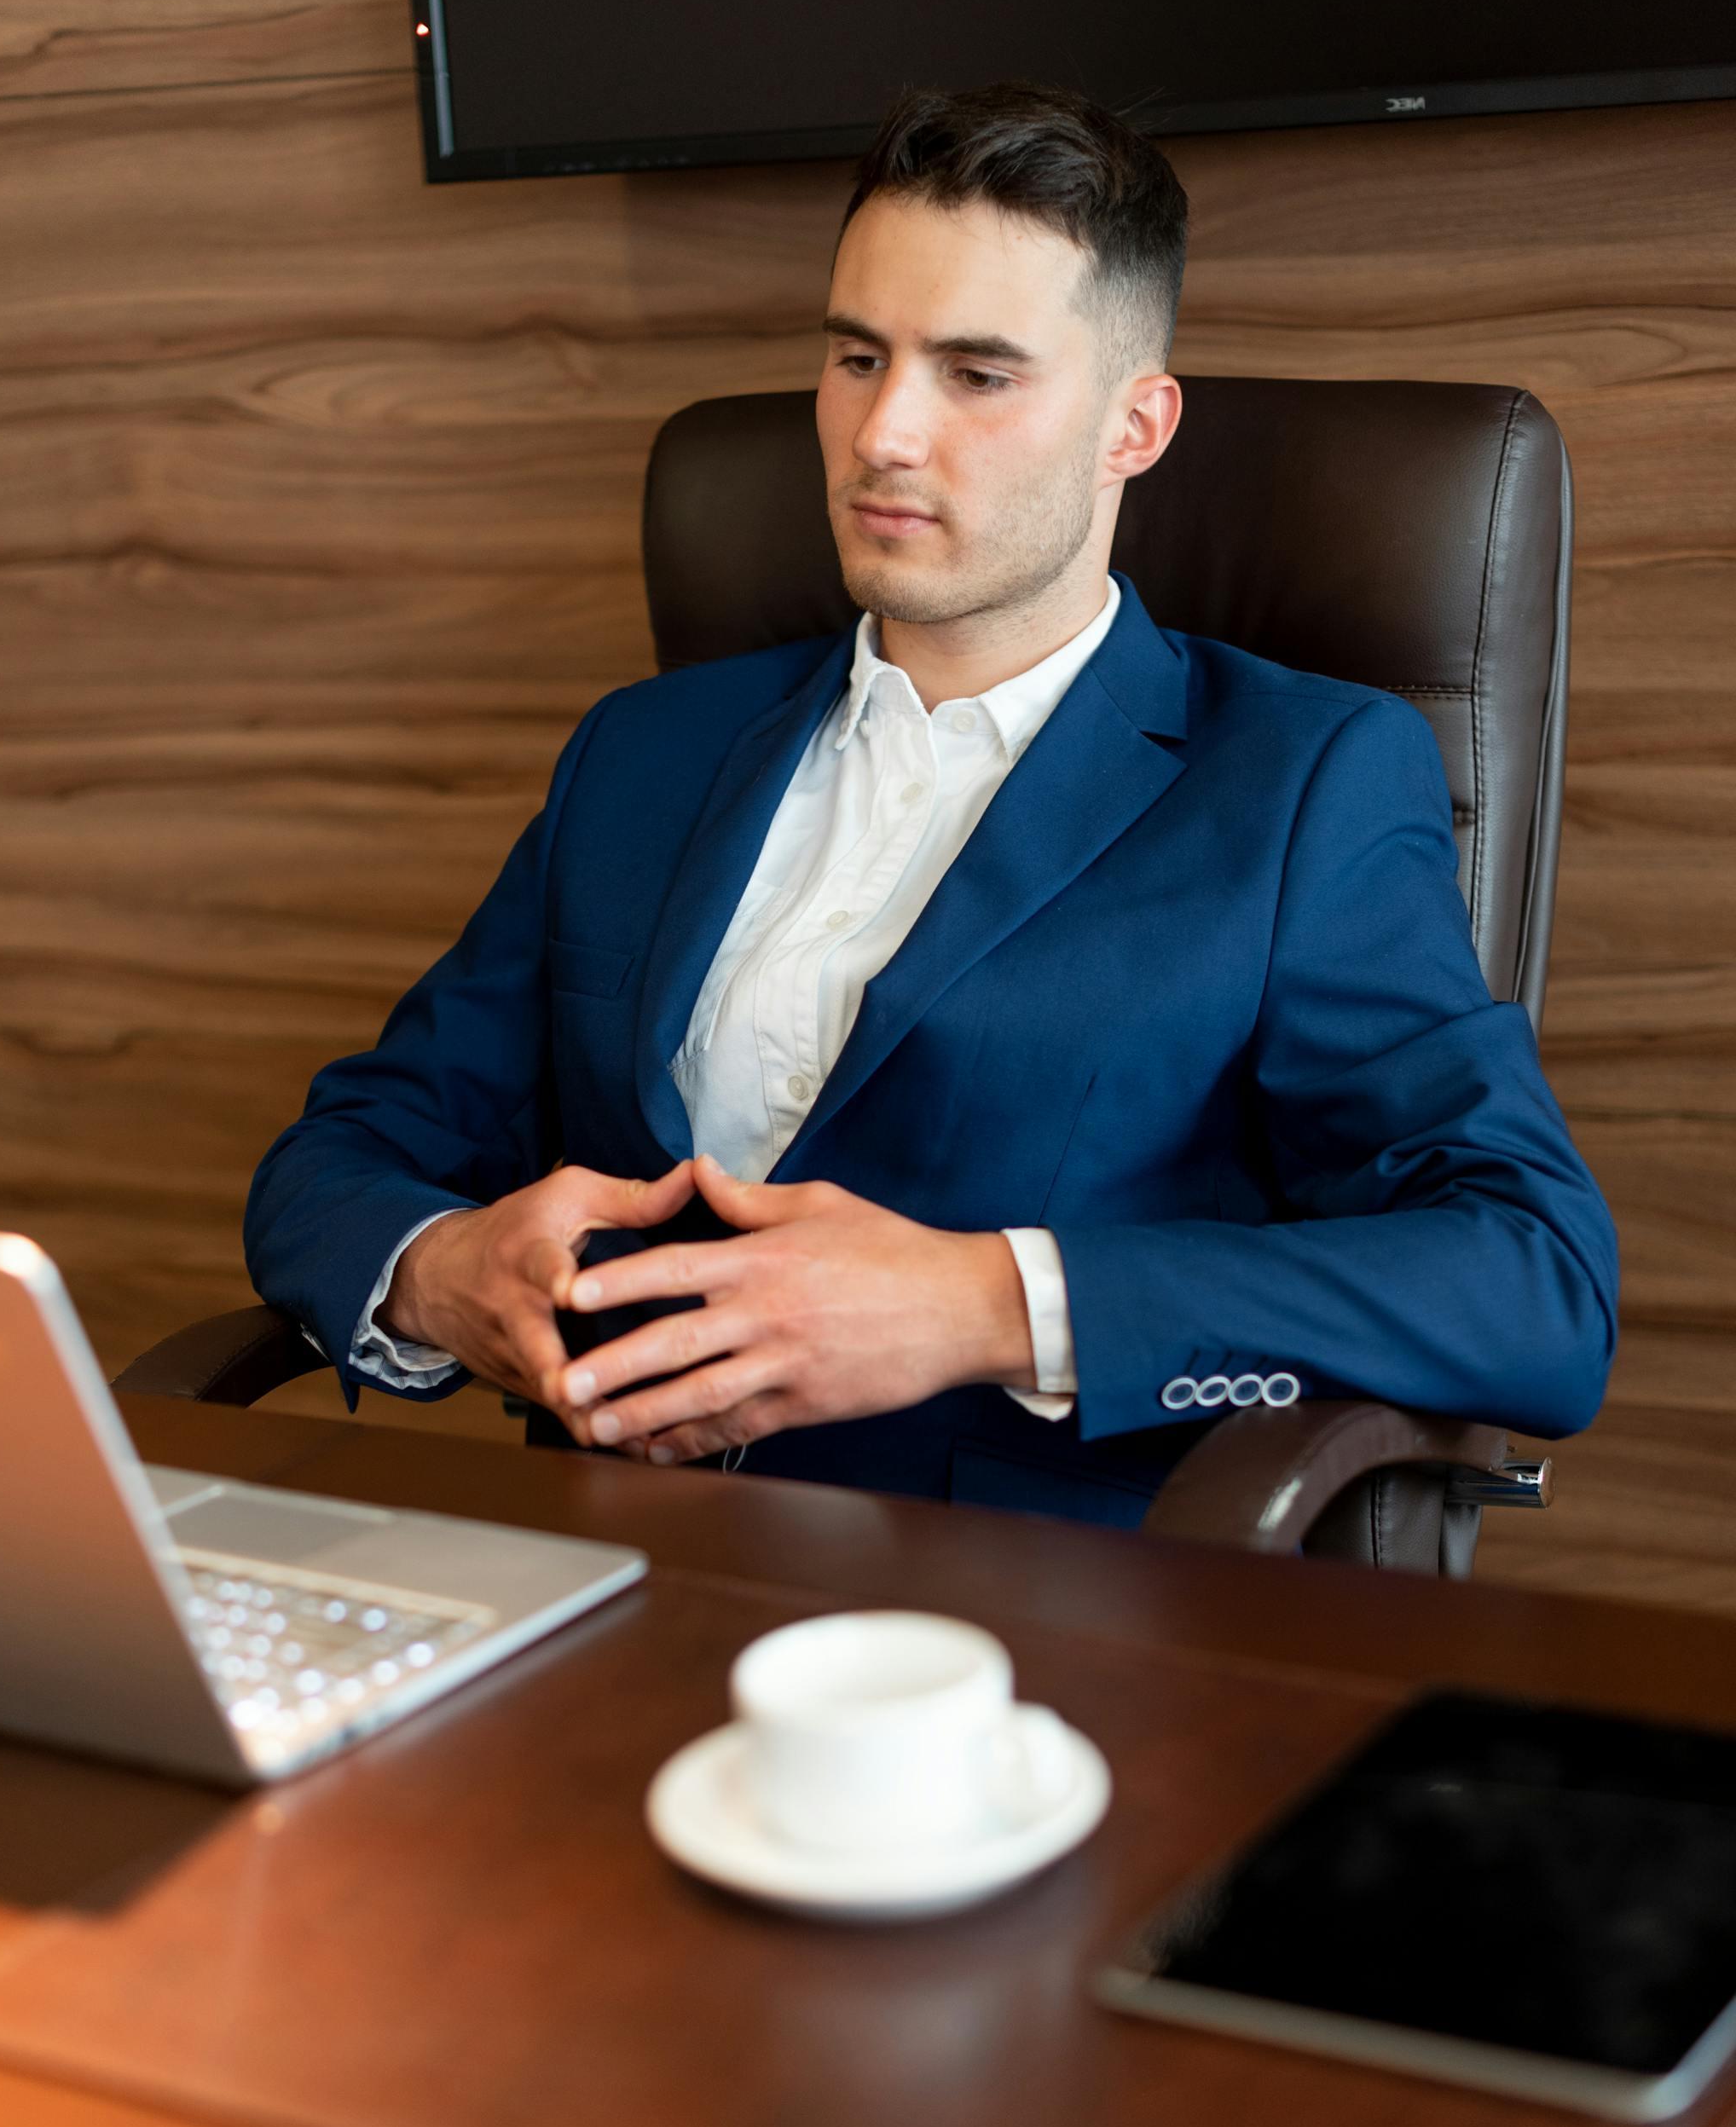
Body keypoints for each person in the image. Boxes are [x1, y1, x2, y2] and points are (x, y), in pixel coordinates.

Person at [245, 80, 1617, 1532]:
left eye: (977, 373)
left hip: (1028, 1639)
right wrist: (438, 1269)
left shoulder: (1303, 780)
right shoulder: (643, 750)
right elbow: (341, 1156)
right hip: (608, 1586)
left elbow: (1530, 1284)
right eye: (856, 356)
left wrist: (985, 1302)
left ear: (1134, 427)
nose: (882, 432)